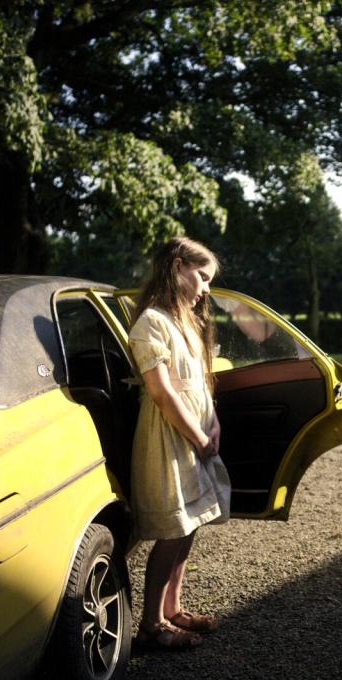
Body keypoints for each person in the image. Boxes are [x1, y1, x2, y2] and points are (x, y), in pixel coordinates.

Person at [128, 237, 231, 649]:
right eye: (201, 277)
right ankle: (151, 626)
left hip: (197, 428)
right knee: (173, 529)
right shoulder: (150, 322)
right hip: (171, 433)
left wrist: (214, 420)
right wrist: (197, 434)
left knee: (192, 523)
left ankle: (173, 608)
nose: (205, 288)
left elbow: (200, 382)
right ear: (176, 266)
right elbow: (163, 393)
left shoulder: (186, 320)